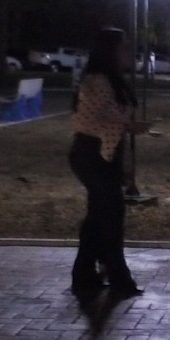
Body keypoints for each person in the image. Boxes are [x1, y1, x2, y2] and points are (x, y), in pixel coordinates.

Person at [68, 28, 150, 295]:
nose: (128, 53)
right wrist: (126, 125)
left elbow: (111, 119)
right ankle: (118, 278)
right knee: (111, 215)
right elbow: (90, 121)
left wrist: (126, 127)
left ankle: (84, 274)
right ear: (110, 52)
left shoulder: (111, 81)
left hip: (103, 153)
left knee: (98, 216)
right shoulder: (96, 81)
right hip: (92, 153)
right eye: (123, 48)